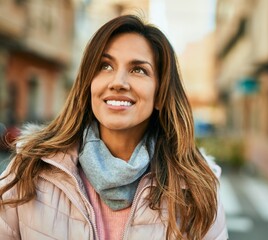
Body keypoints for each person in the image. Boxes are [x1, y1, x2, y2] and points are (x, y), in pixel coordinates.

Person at [0, 15, 228, 240]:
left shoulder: (196, 187)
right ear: (89, 84)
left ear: (160, 95)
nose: (118, 82)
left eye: (138, 70)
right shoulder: (30, 168)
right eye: (105, 66)